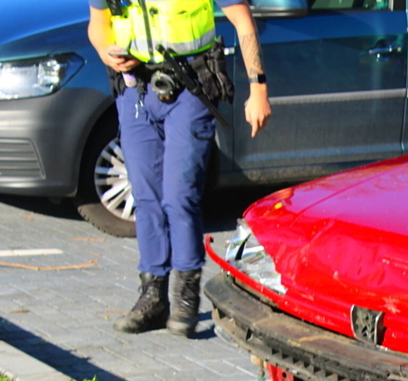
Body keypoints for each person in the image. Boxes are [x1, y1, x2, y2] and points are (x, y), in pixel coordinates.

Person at [87, 0, 271, 337]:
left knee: (178, 196)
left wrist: (257, 87)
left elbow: (243, 22)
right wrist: (105, 52)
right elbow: (97, 24)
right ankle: (153, 297)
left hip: (188, 87)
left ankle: (185, 295)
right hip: (135, 92)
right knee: (146, 197)